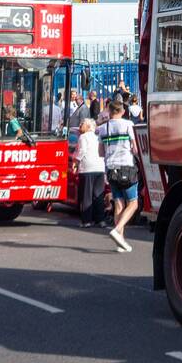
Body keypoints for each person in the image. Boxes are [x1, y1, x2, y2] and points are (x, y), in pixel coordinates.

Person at [95, 98, 140, 252]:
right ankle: (118, 229)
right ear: (122, 111)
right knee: (133, 203)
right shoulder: (128, 124)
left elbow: (100, 152)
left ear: (109, 111)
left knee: (119, 204)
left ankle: (120, 241)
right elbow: (135, 148)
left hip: (110, 169)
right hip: (126, 167)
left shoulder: (102, 129)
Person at [73, 118, 107, 228]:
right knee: (98, 195)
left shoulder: (83, 137)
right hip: (99, 167)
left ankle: (86, 220)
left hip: (87, 168)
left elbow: (82, 151)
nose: (80, 125)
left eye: (82, 124)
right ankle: (100, 219)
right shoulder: (97, 136)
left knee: (86, 195)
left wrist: (76, 161)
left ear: (88, 127)